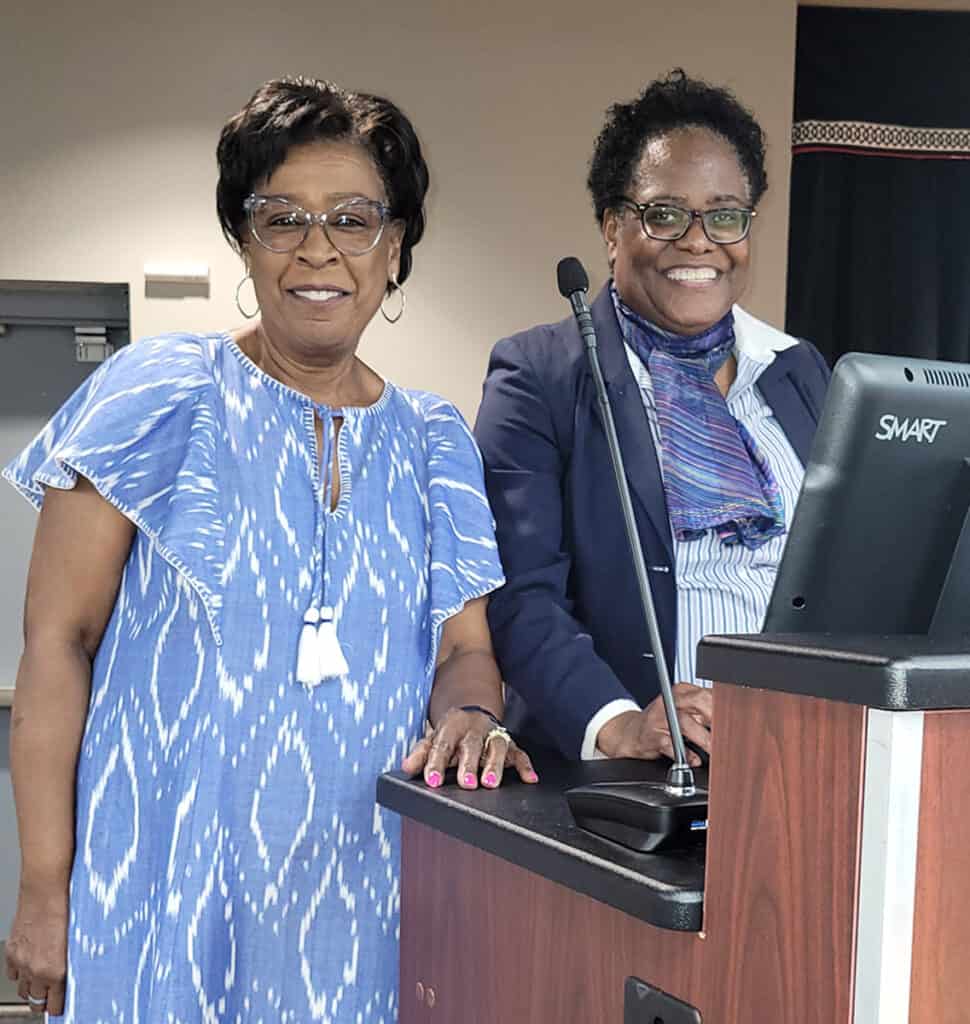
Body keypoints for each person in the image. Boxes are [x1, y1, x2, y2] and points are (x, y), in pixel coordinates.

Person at [2, 76, 535, 1022]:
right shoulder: (160, 392)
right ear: (244, 239)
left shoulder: (434, 441)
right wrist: (45, 887)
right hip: (160, 881)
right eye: (282, 218)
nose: (317, 249)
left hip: (361, 892)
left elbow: (464, 649)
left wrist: (471, 714)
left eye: (353, 220)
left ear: (394, 248)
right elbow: (57, 643)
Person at [475, 70, 831, 765]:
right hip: (642, 771)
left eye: (725, 215)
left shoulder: (796, 370)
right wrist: (619, 724)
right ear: (613, 228)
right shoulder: (541, 376)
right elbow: (522, 595)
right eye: (665, 214)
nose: (699, 242)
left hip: (800, 753)